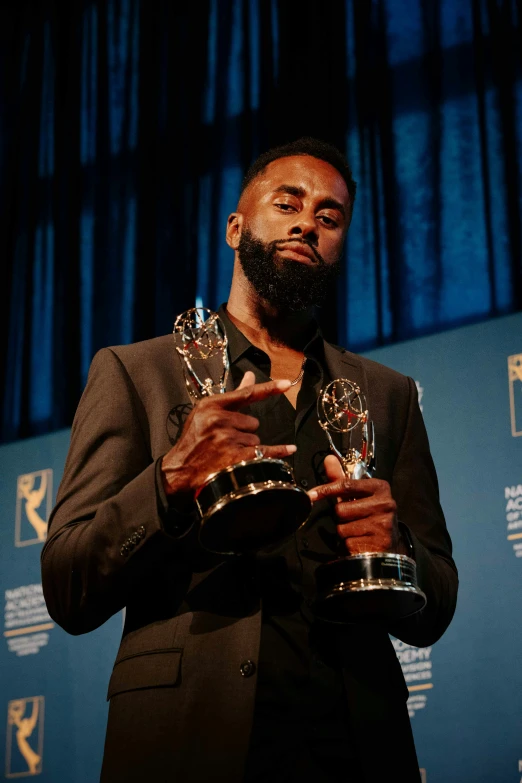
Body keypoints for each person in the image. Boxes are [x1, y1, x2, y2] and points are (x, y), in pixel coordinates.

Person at [41, 138, 458, 783]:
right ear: (237, 228)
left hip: (355, 744)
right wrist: (171, 480)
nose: (306, 223)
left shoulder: (387, 395)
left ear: (341, 245)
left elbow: (438, 606)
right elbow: (68, 585)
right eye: (286, 203)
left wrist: (395, 546)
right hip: (187, 742)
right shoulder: (136, 373)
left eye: (330, 217)